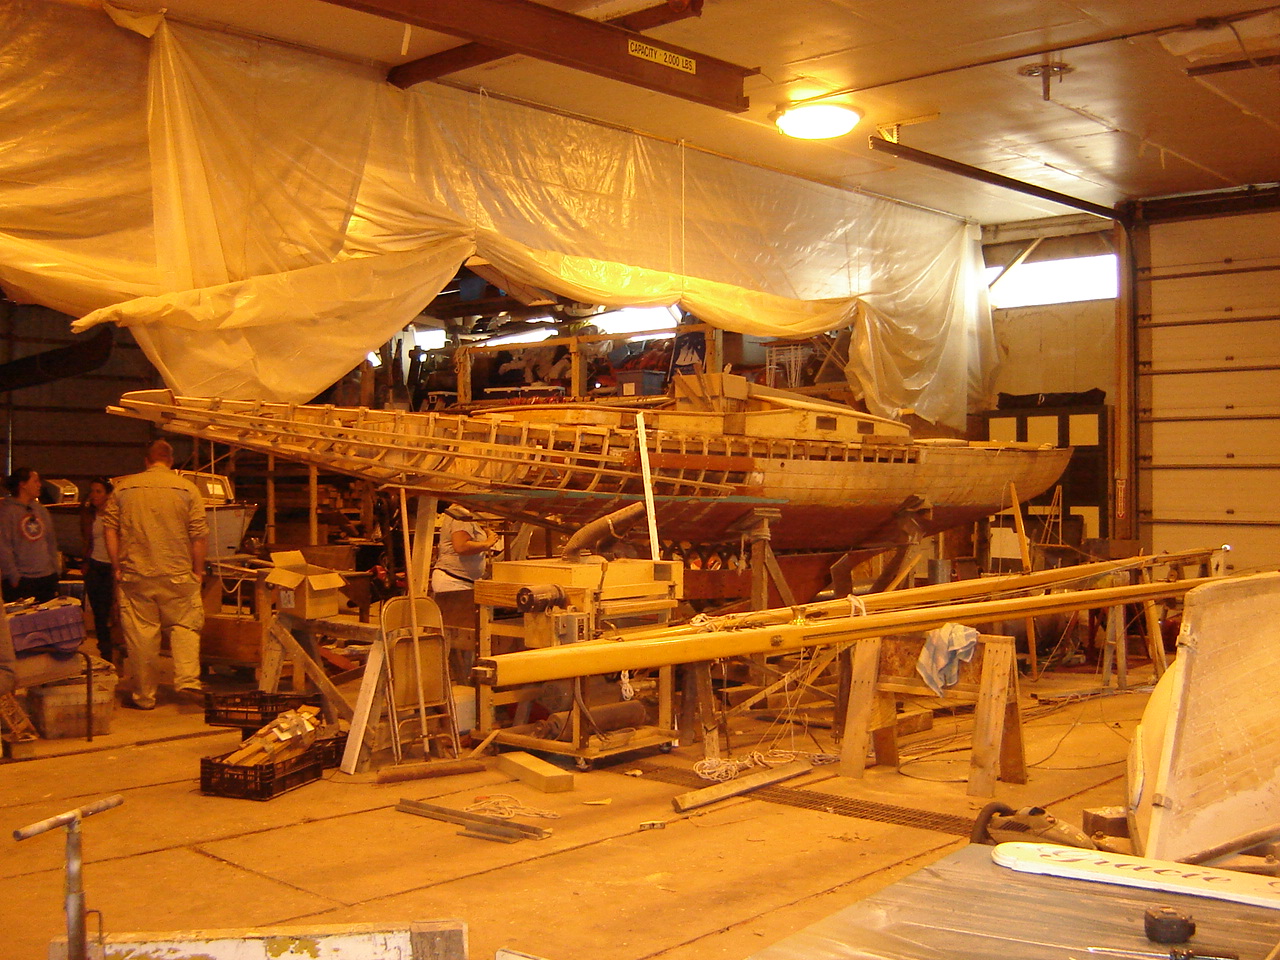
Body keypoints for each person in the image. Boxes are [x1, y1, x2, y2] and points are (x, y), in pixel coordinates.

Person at [102, 439, 208, 710]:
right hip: (177, 573)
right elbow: (199, 536)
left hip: (136, 574)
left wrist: (116, 565)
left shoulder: (123, 489)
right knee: (185, 626)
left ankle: (145, 696)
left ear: (146, 461)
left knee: (142, 637)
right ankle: (186, 681)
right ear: (170, 462)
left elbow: (110, 530)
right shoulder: (188, 489)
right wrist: (198, 571)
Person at [0, 467, 60, 603]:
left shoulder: (41, 510)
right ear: (23, 484)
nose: (39, 485)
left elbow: (51, 541)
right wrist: (13, 576)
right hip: (22, 578)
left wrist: (55, 569)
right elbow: (4, 546)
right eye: (35, 481)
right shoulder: (7, 512)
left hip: (46, 575)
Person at [80, 478, 117, 665]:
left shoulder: (117, 515)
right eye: (92, 491)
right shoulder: (89, 514)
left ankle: (117, 648)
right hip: (94, 565)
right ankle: (105, 651)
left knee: (114, 610)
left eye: (98, 491)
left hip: (112, 566)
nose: (93, 495)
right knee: (99, 612)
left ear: (108, 495)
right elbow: (86, 539)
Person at [430, 504, 497, 594]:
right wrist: (487, 543)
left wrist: (485, 532)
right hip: (454, 580)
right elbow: (461, 547)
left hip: (462, 580)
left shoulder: (462, 514)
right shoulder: (460, 513)